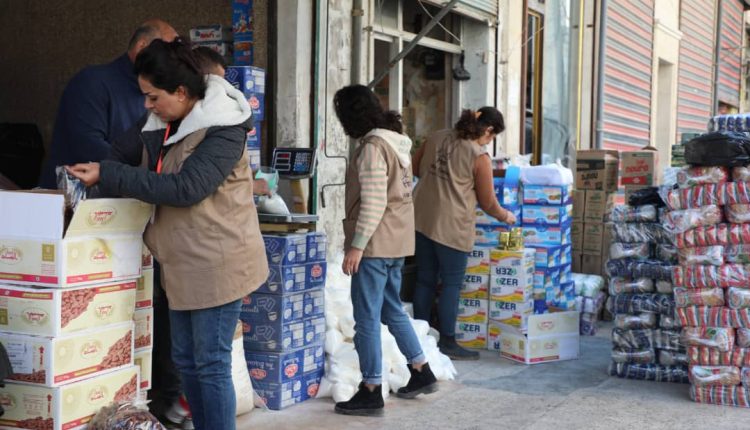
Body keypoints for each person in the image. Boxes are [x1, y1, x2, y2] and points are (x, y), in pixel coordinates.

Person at [66, 39, 269, 430]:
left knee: (210, 363)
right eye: (144, 96)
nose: (147, 106)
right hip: (180, 262)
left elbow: (185, 188)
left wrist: (110, 174)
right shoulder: (161, 121)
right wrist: (89, 183)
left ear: (180, 92)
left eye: (153, 97)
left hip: (219, 261)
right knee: (187, 361)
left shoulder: (224, 128)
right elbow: (119, 155)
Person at [333, 84, 438, 417]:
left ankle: (371, 389)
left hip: (375, 245)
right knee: (391, 309)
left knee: (365, 319)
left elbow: (374, 202)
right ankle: (421, 370)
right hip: (397, 242)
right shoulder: (396, 142)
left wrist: (356, 246)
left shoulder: (373, 148)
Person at [411, 107, 516, 360]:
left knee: (424, 280)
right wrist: (505, 216)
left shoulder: (436, 136)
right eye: (492, 136)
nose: (489, 142)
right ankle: (448, 341)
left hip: (421, 218)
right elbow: (488, 202)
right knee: (451, 283)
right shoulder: (479, 156)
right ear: (488, 130)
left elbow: (414, 168)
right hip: (452, 226)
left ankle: (418, 339)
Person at [39, 19, 178, 188]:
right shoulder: (91, 82)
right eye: (167, 52)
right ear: (142, 47)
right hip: (73, 197)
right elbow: (89, 148)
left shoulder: (161, 94)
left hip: (127, 194)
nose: (174, 61)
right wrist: (146, 177)